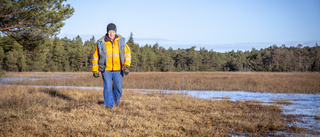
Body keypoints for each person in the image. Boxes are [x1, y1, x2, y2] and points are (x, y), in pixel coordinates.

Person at [92, 23, 131, 109]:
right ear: (107, 32)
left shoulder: (121, 41)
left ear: (115, 32)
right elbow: (95, 57)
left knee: (118, 88)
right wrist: (95, 70)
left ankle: (116, 103)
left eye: (113, 32)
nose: (111, 34)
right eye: (109, 32)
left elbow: (127, 54)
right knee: (108, 88)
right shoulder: (101, 42)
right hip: (106, 70)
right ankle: (109, 107)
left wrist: (127, 66)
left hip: (119, 70)